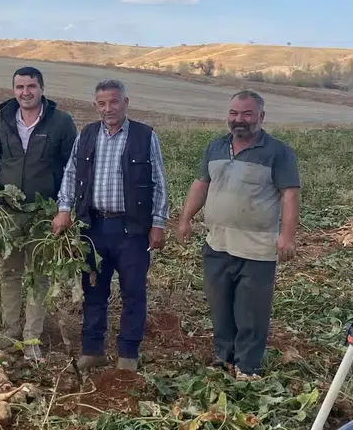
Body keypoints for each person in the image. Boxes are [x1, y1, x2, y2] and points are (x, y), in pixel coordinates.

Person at [176, 89, 301, 381]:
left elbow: (289, 196)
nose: (239, 120)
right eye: (234, 113)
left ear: (261, 116)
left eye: (247, 114)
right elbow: (200, 185)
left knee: (251, 313)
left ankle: (247, 367)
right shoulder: (215, 147)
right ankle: (223, 357)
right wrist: (185, 219)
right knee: (220, 307)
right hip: (217, 244)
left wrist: (287, 236)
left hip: (256, 249)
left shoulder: (278, 152)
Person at [53, 79, 168, 372]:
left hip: (131, 230)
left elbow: (159, 184)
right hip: (92, 228)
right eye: (102, 104)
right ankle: (93, 350)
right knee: (94, 291)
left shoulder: (145, 136)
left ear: (126, 103)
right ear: (96, 106)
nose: (108, 108)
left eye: (114, 102)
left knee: (133, 292)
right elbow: (70, 174)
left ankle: (127, 355)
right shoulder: (88, 134)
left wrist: (158, 224)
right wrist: (64, 209)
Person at [0, 66, 78, 361]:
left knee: (38, 275)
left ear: (42, 88)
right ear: (13, 90)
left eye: (31, 86)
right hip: (8, 211)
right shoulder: (4, 118)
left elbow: (73, 167)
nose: (25, 92)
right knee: (9, 272)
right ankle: (10, 332)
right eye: (19, 86)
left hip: (44, 212)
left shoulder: (60, 122)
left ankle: (32, 337)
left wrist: (65, 208)